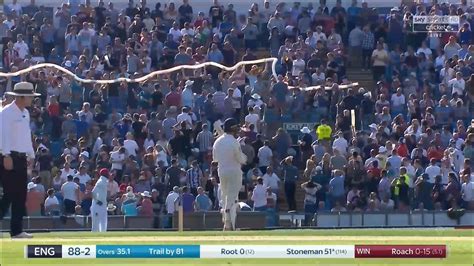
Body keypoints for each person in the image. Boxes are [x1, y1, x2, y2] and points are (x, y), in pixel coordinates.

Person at [0, 82, 40, 238]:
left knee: (20, 194)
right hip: (9, 157)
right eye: (30, 96)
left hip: (21, 157)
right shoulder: (6, 113)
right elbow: (3, 135)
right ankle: (15, 230)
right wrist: (6, 155)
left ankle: (16, 231)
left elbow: (25, 136)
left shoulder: (25, 113)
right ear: (21, 97)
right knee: (10, 193)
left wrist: (31, 155)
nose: (32, 99)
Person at [212, 118, 247, 230]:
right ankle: (229, 224)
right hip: (234, 171)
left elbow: (215, 159)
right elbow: (240, 159)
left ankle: (228, 223)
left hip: (221, 171)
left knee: (226, 196)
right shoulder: (234, 142)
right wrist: (245, 158)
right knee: (232, 198)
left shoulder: (217, 141)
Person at [91, 168, 109, 232]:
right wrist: (97, 201)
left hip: (102, 204)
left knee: (103, 221)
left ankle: (103, 235)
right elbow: (93, 192)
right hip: (98, 205)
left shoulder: (104, 181)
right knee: (96, 223)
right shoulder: (100, 182)